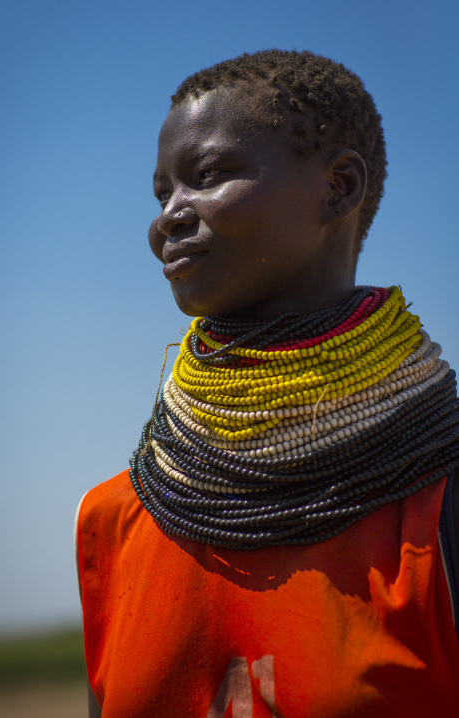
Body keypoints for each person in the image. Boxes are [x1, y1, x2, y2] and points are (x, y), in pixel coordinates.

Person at [75, 50, 459, 717]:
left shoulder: (440, 497)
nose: (170, 215)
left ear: (338, 186)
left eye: (209, 175)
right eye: (164, 192)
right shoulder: (111, 522)